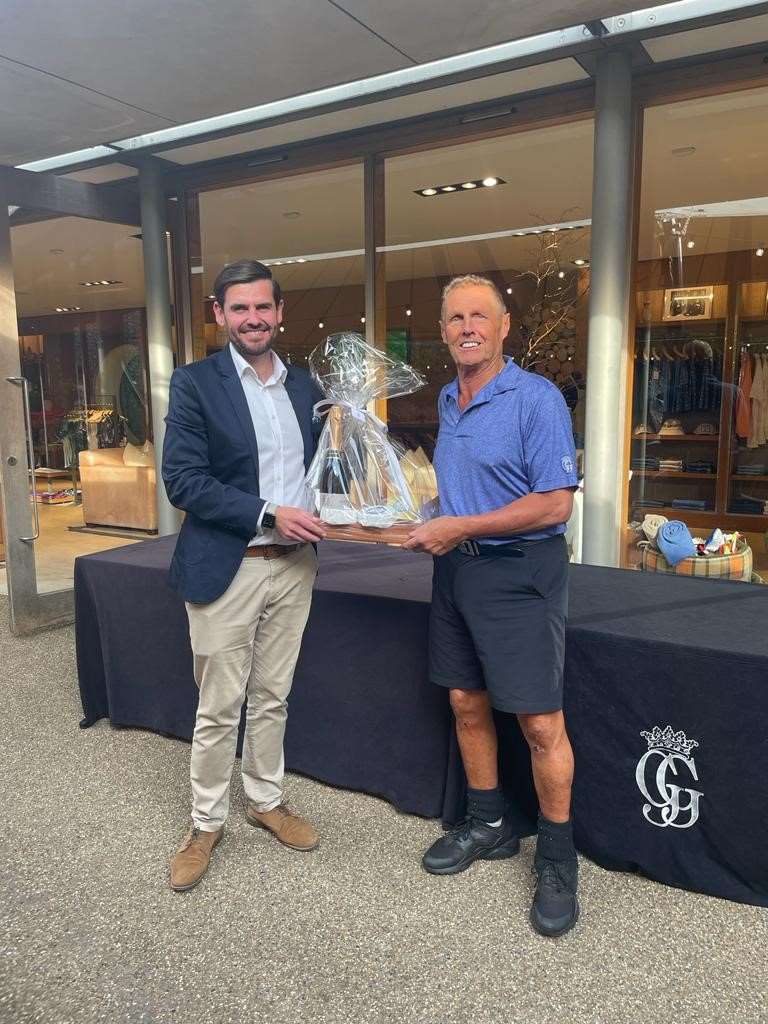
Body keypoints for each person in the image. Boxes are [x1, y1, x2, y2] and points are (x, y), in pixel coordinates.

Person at [403, 274, 580, 937]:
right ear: (443, 331)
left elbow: (555, 504)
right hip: (456, 571)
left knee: (540, 724)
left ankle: (557, 860)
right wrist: (416, 514)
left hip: (518, 571)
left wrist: (461, 526)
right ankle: (489, 823)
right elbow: (465, 490)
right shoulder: (448, 398)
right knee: (465, 702)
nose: (468, 327)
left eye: (480, 316)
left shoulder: (536, 399)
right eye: (456, 318)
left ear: (504, 327)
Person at [162, 258, 326, 892]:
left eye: (263, 306)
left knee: (274, 694)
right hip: (228, 567)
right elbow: (184, 481)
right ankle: (206, 823)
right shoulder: (195, 383)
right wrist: (268, 512)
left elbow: (326, 469)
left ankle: (265, 800)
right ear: (219, 314)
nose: (253, 318)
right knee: (218, 706)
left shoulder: (307, 387)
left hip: (295, 566)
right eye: (240, 308)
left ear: (279, 312)